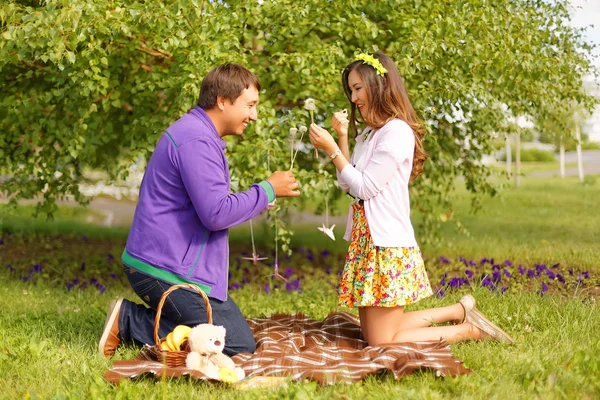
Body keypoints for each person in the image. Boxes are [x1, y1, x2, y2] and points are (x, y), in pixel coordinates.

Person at [308, 52, 514, 345]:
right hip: (368, 239)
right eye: (351, 90)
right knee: (377, 335)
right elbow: (348, 183)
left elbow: (365, 188)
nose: (353, 98)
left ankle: (470, 330)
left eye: (357, 88)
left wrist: (331, 150)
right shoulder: (368, 133)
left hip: (388, 242)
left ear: (378, 86)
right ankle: (460, 310)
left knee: (381, 341)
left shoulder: (396, 132)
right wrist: (341, 138)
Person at [99, 63, 301, 358]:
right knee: (234, 345)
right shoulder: (197, 140)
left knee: (229, 335)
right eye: (250, 105)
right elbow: (216, 214)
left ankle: (147, 321)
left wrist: (256, 199)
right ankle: (130, 321)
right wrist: (267, 189)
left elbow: (210, 203)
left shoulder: (196, 133)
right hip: (165, 272)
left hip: (164, 266)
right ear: (222, 100)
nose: (254, 115)